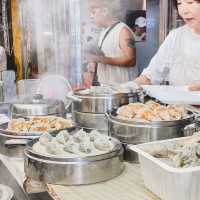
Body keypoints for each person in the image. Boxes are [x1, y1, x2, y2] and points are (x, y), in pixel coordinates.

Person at [126, 0, 200, 91]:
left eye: (190, 2)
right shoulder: (175, 36)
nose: (184, 11)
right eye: (179, 3)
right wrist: (127, 87)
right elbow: (151, 75)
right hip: (177, 104)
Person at [86, 0, 138, 86]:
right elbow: (105, 56)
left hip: (123, 89)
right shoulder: (103, 32)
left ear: (105, 11)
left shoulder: (123, 31)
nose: (91, 16)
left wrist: (100, 59)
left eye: (93, 12)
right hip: (106, 87)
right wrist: (93, 62)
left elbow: (131, 60)